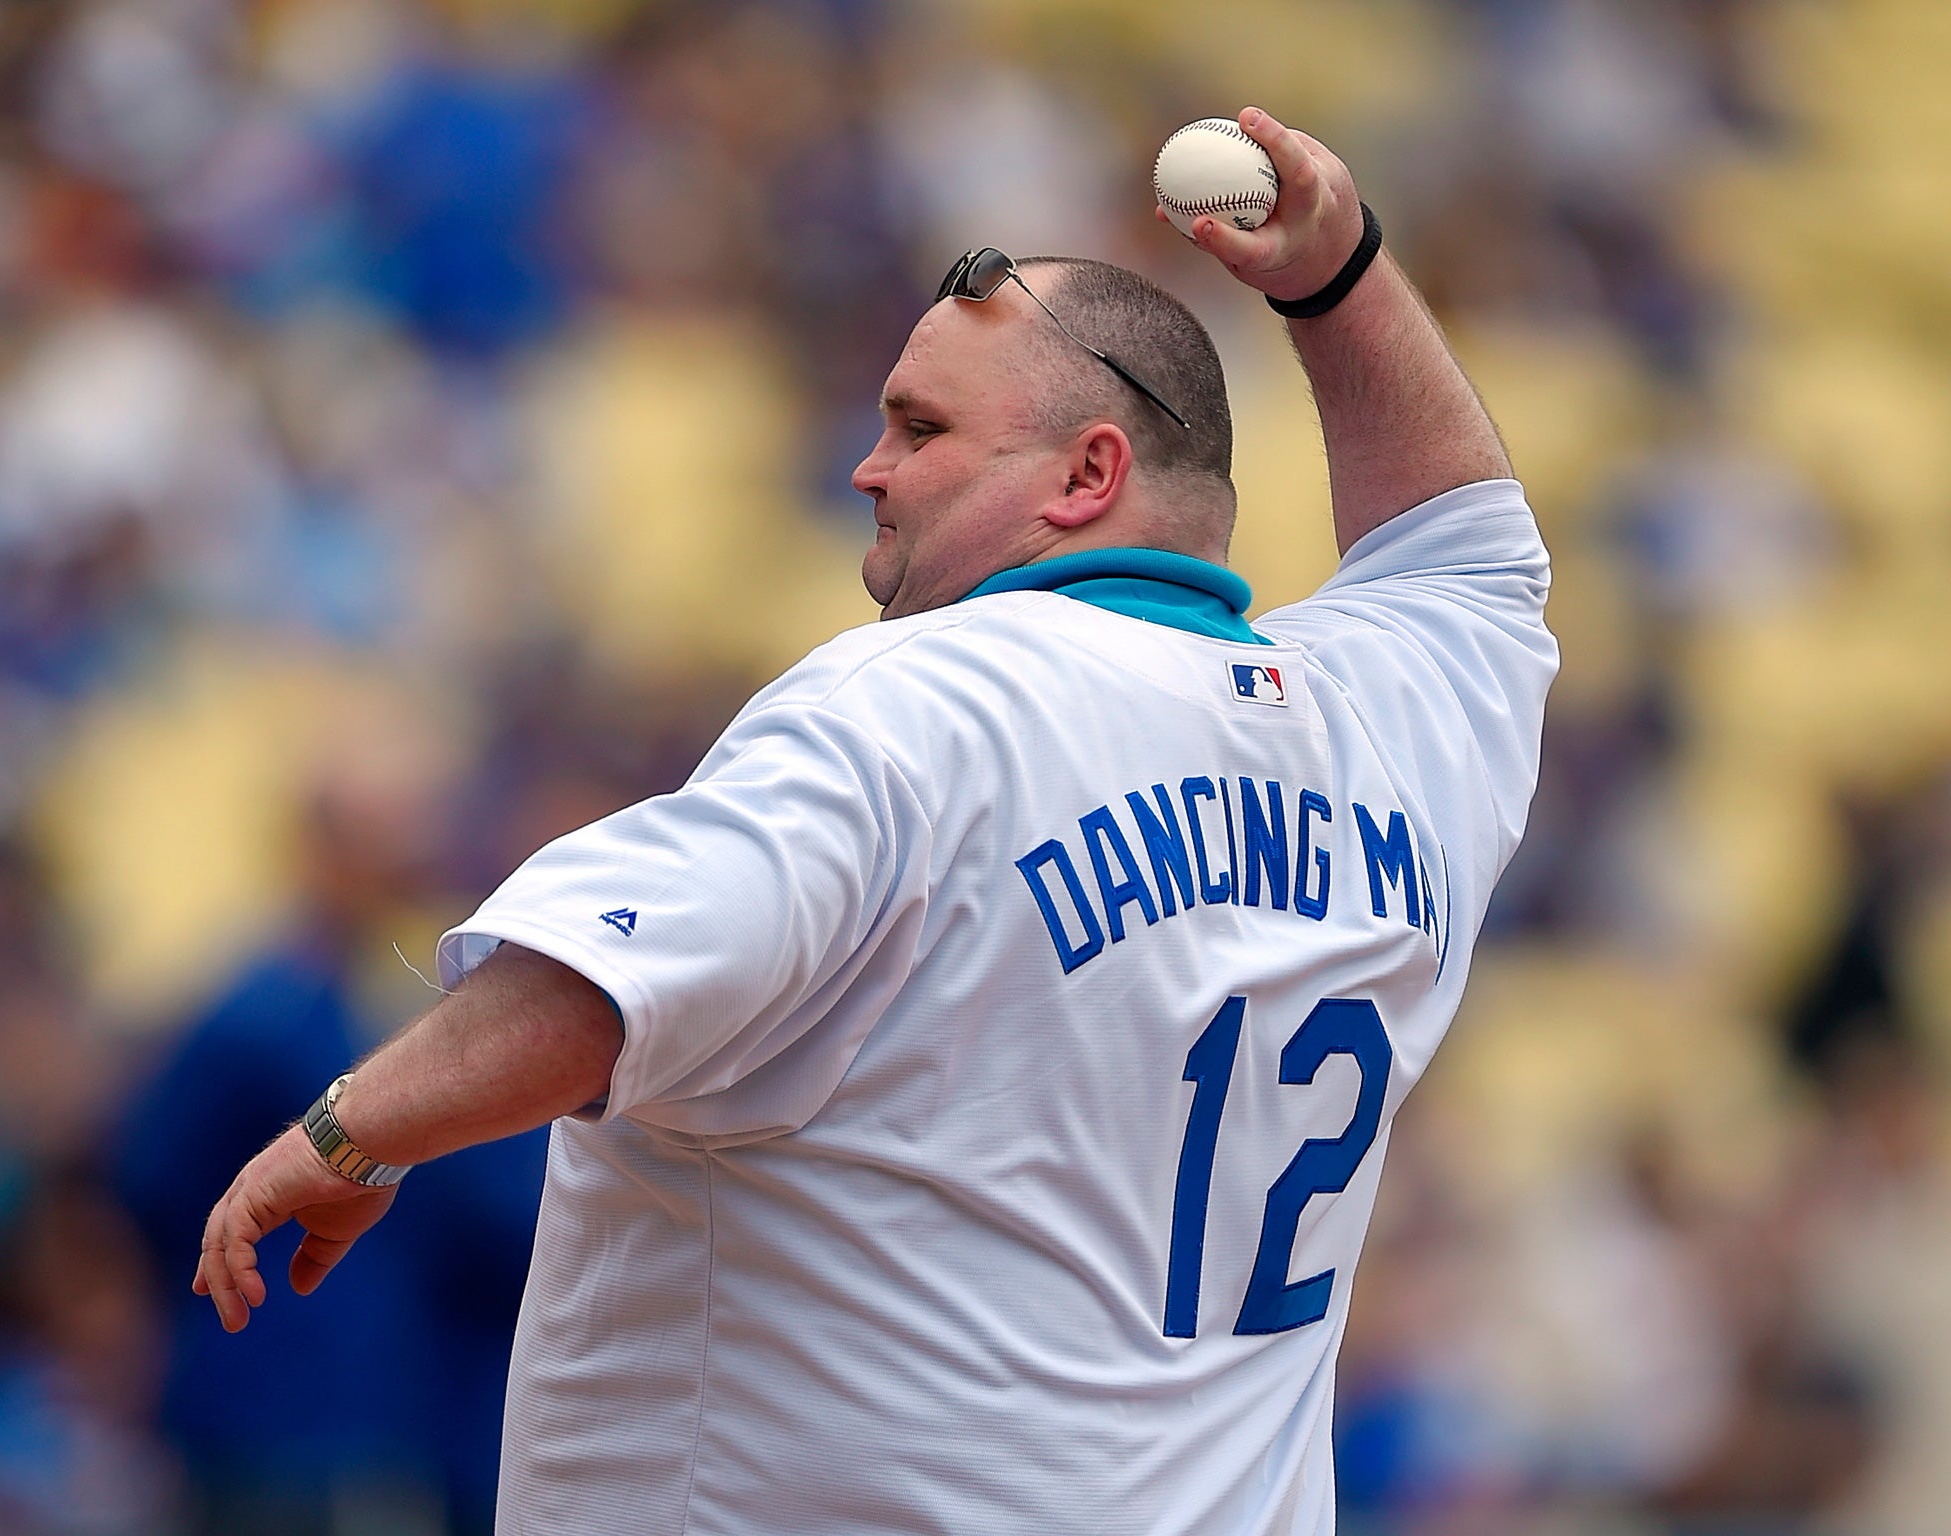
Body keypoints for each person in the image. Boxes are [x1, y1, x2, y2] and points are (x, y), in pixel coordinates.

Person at [194, 109, 1557, 1534]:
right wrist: (1338, 280)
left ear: (1088, 479)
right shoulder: (1390, 736)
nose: (870, 466)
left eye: (921, 428)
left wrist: (354, 1134)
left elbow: (604, 985)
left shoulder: (929, 699)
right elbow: (1467, 558)